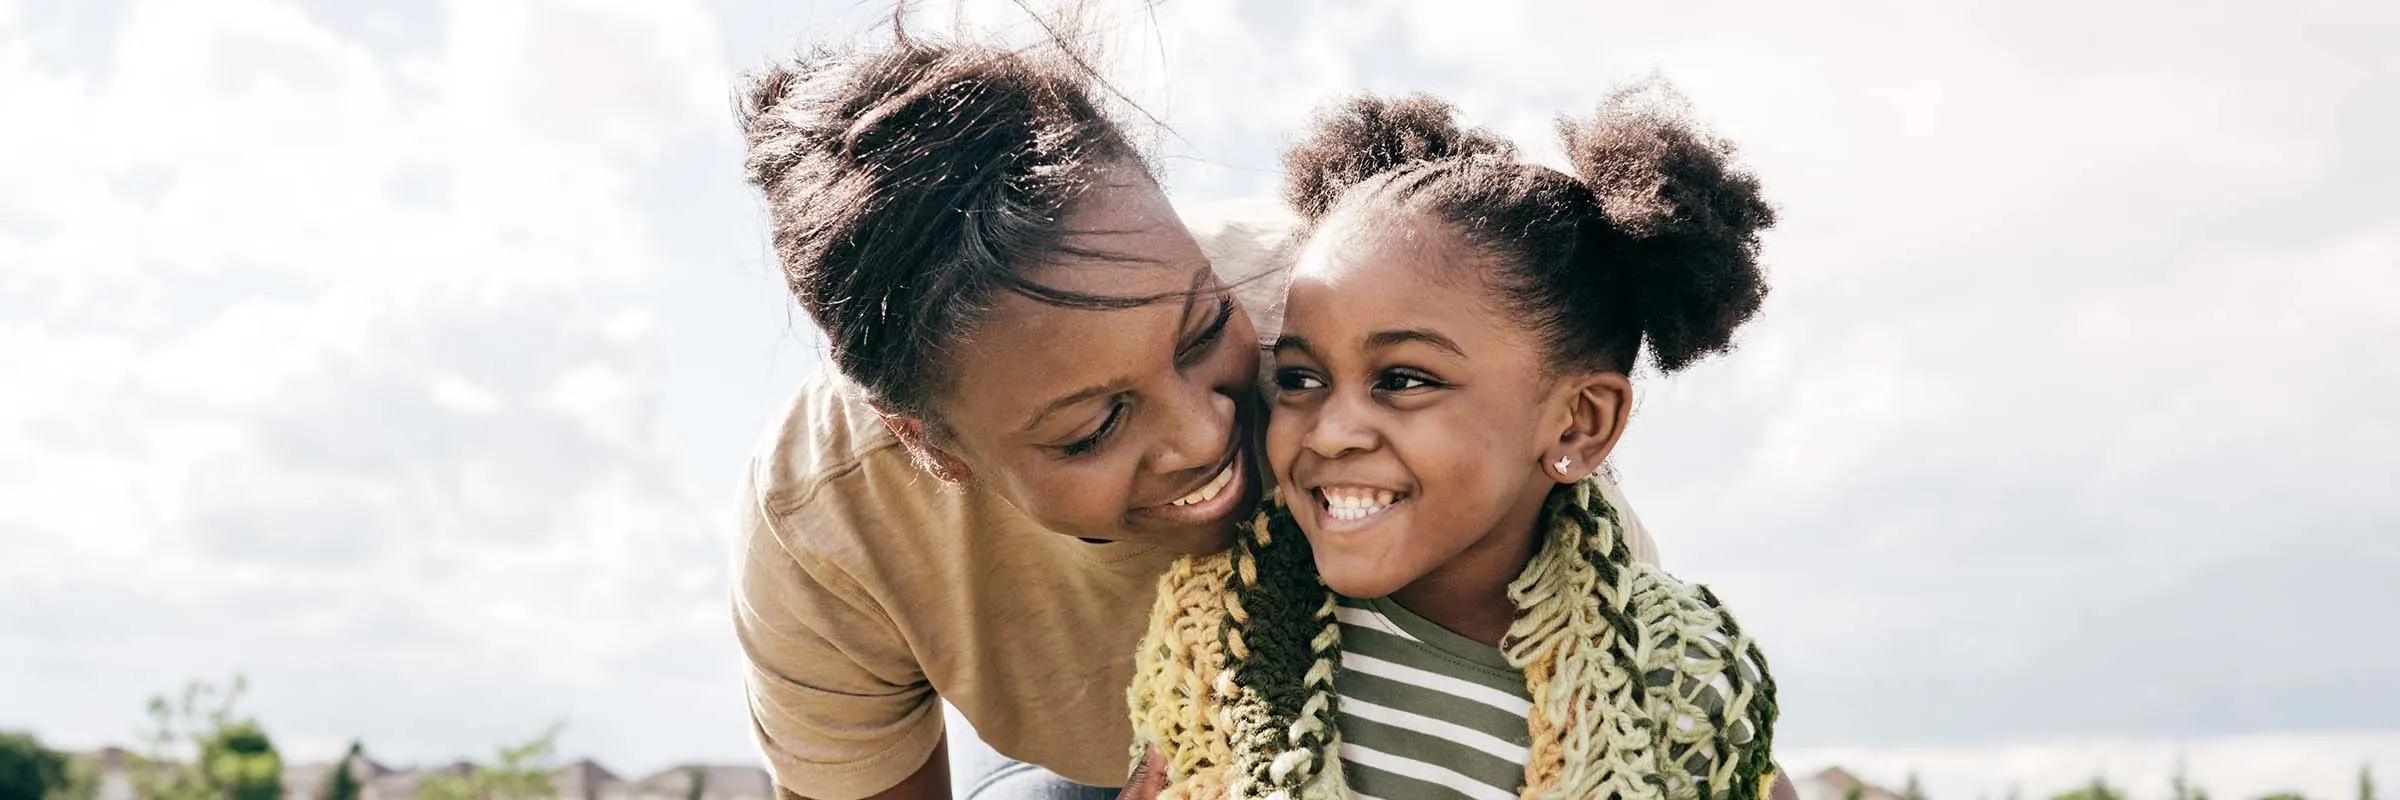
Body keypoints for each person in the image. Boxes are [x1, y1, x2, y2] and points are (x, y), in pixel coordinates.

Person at [729, 24, 1667, 800]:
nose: (1205, 435)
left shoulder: (1359, 327)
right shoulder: (828, 513)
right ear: (931, 448)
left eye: (1201, 331)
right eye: (1092, 428)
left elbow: (1638, 725)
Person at [1125, 86, 1788, 800]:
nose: (1333, 430)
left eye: (1405, 379)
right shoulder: (1223, 634)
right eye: (1300, 377)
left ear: (1578, 424)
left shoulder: (1678, 685)